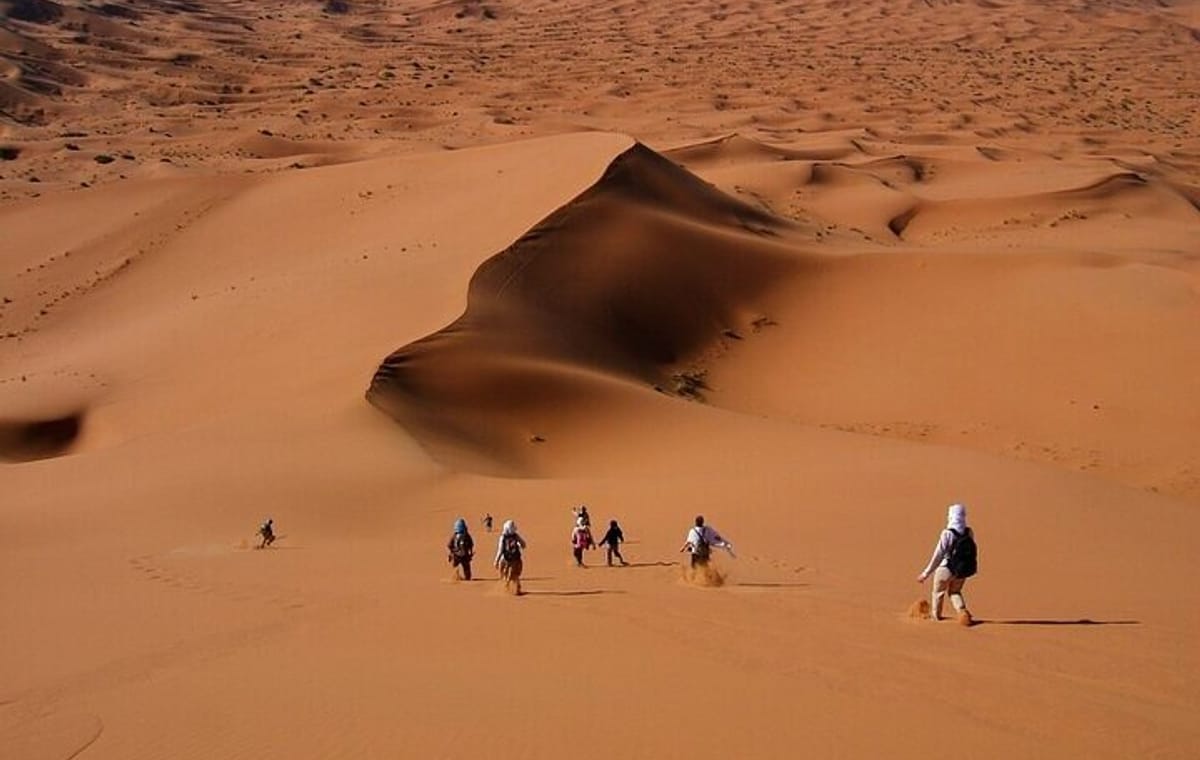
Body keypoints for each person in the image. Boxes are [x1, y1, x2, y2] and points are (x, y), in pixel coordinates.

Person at [916, 503, 976, 626]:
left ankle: (936, 617)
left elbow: (938, 555)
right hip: (961, 570)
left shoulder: (947, 533)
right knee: (955, 592)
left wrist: (926, 573)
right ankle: (962, 611)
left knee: (938, 592)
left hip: (946, 569)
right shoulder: (969, 532)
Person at [494, 520, 527, 595]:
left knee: (504, 574)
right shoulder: (516, 536)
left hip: (505, 559)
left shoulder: (503, 537)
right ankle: (515, 589)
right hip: (516, 560)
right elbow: (524, 545)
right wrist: (519, 545)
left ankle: (507, 587)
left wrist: (496, 561)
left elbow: (500, 550)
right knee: (515, 575)